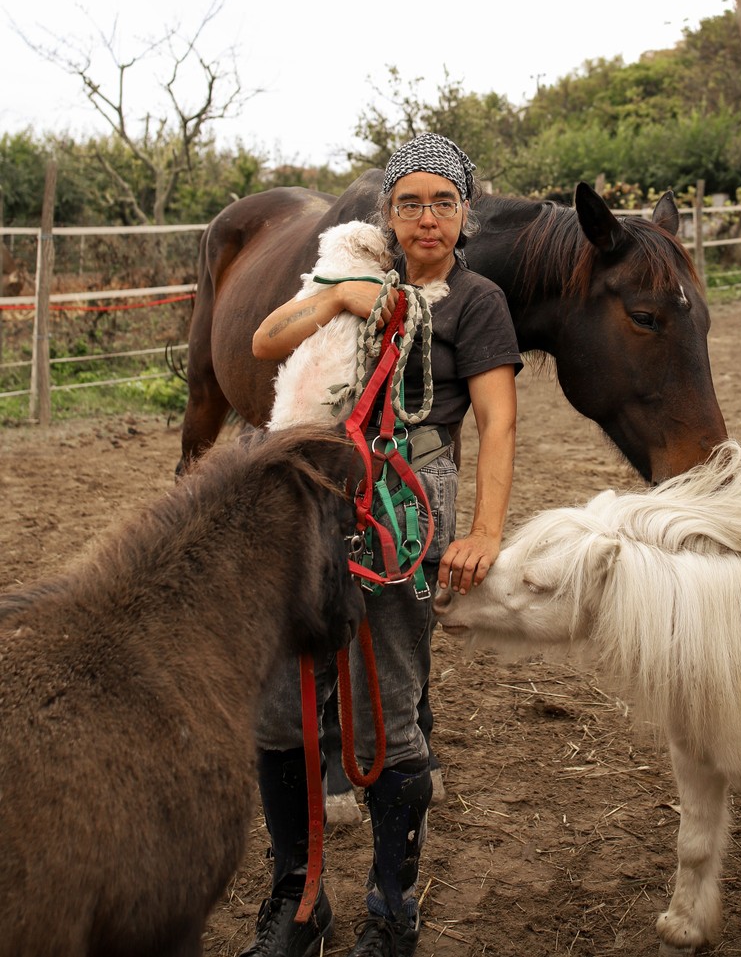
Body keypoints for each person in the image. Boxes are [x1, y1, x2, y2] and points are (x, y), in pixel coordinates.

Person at [243, 133, 521, 957]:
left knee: (388, 701)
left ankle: (392, 906)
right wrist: (335, 301)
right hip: (311, 496)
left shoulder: (477, 303)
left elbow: (499, 421)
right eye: (409, 202)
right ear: (388, 213)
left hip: (404, 504)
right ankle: (298, 899)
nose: (426, 217)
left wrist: (485, 529)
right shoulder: (360, 274)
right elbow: (265, 341)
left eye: (442, 201)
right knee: (280, 701)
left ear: (464, 210)